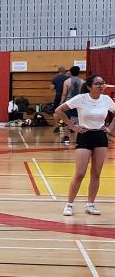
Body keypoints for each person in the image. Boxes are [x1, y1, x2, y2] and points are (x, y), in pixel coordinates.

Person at [55, 75, 115, 216]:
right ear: (89, 86)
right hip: (84, 136)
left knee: (96, 173)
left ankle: (91, 204)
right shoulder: (81, 98)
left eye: (102, 83)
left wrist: (110, 128)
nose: (101, 86)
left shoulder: (106, 99)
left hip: (100, 137)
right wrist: (73, 126)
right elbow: (59, 110)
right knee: (80, 173)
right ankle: (69, 204)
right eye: (97, 84)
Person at [59, 66, 84, 144]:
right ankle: (78, 138)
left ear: (70, 72)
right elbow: (84, 94)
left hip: (69, 103)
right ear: (78, 72)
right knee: (78, 119)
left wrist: (61, 103)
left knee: (66, 119)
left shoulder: (67, 81)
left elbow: (64, 94)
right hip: (79, 103)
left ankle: (66, 137)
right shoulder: (83, 82)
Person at [50, 66, 69, 133]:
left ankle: (57, 125)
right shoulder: (68, 78)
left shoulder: (55, 78)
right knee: (67, 112)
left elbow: (51, 88)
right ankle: (68, 126)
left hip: (58, 97)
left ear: (58, 71)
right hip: (67, 97)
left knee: (55, 112)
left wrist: (56, 86)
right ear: (64, 71)